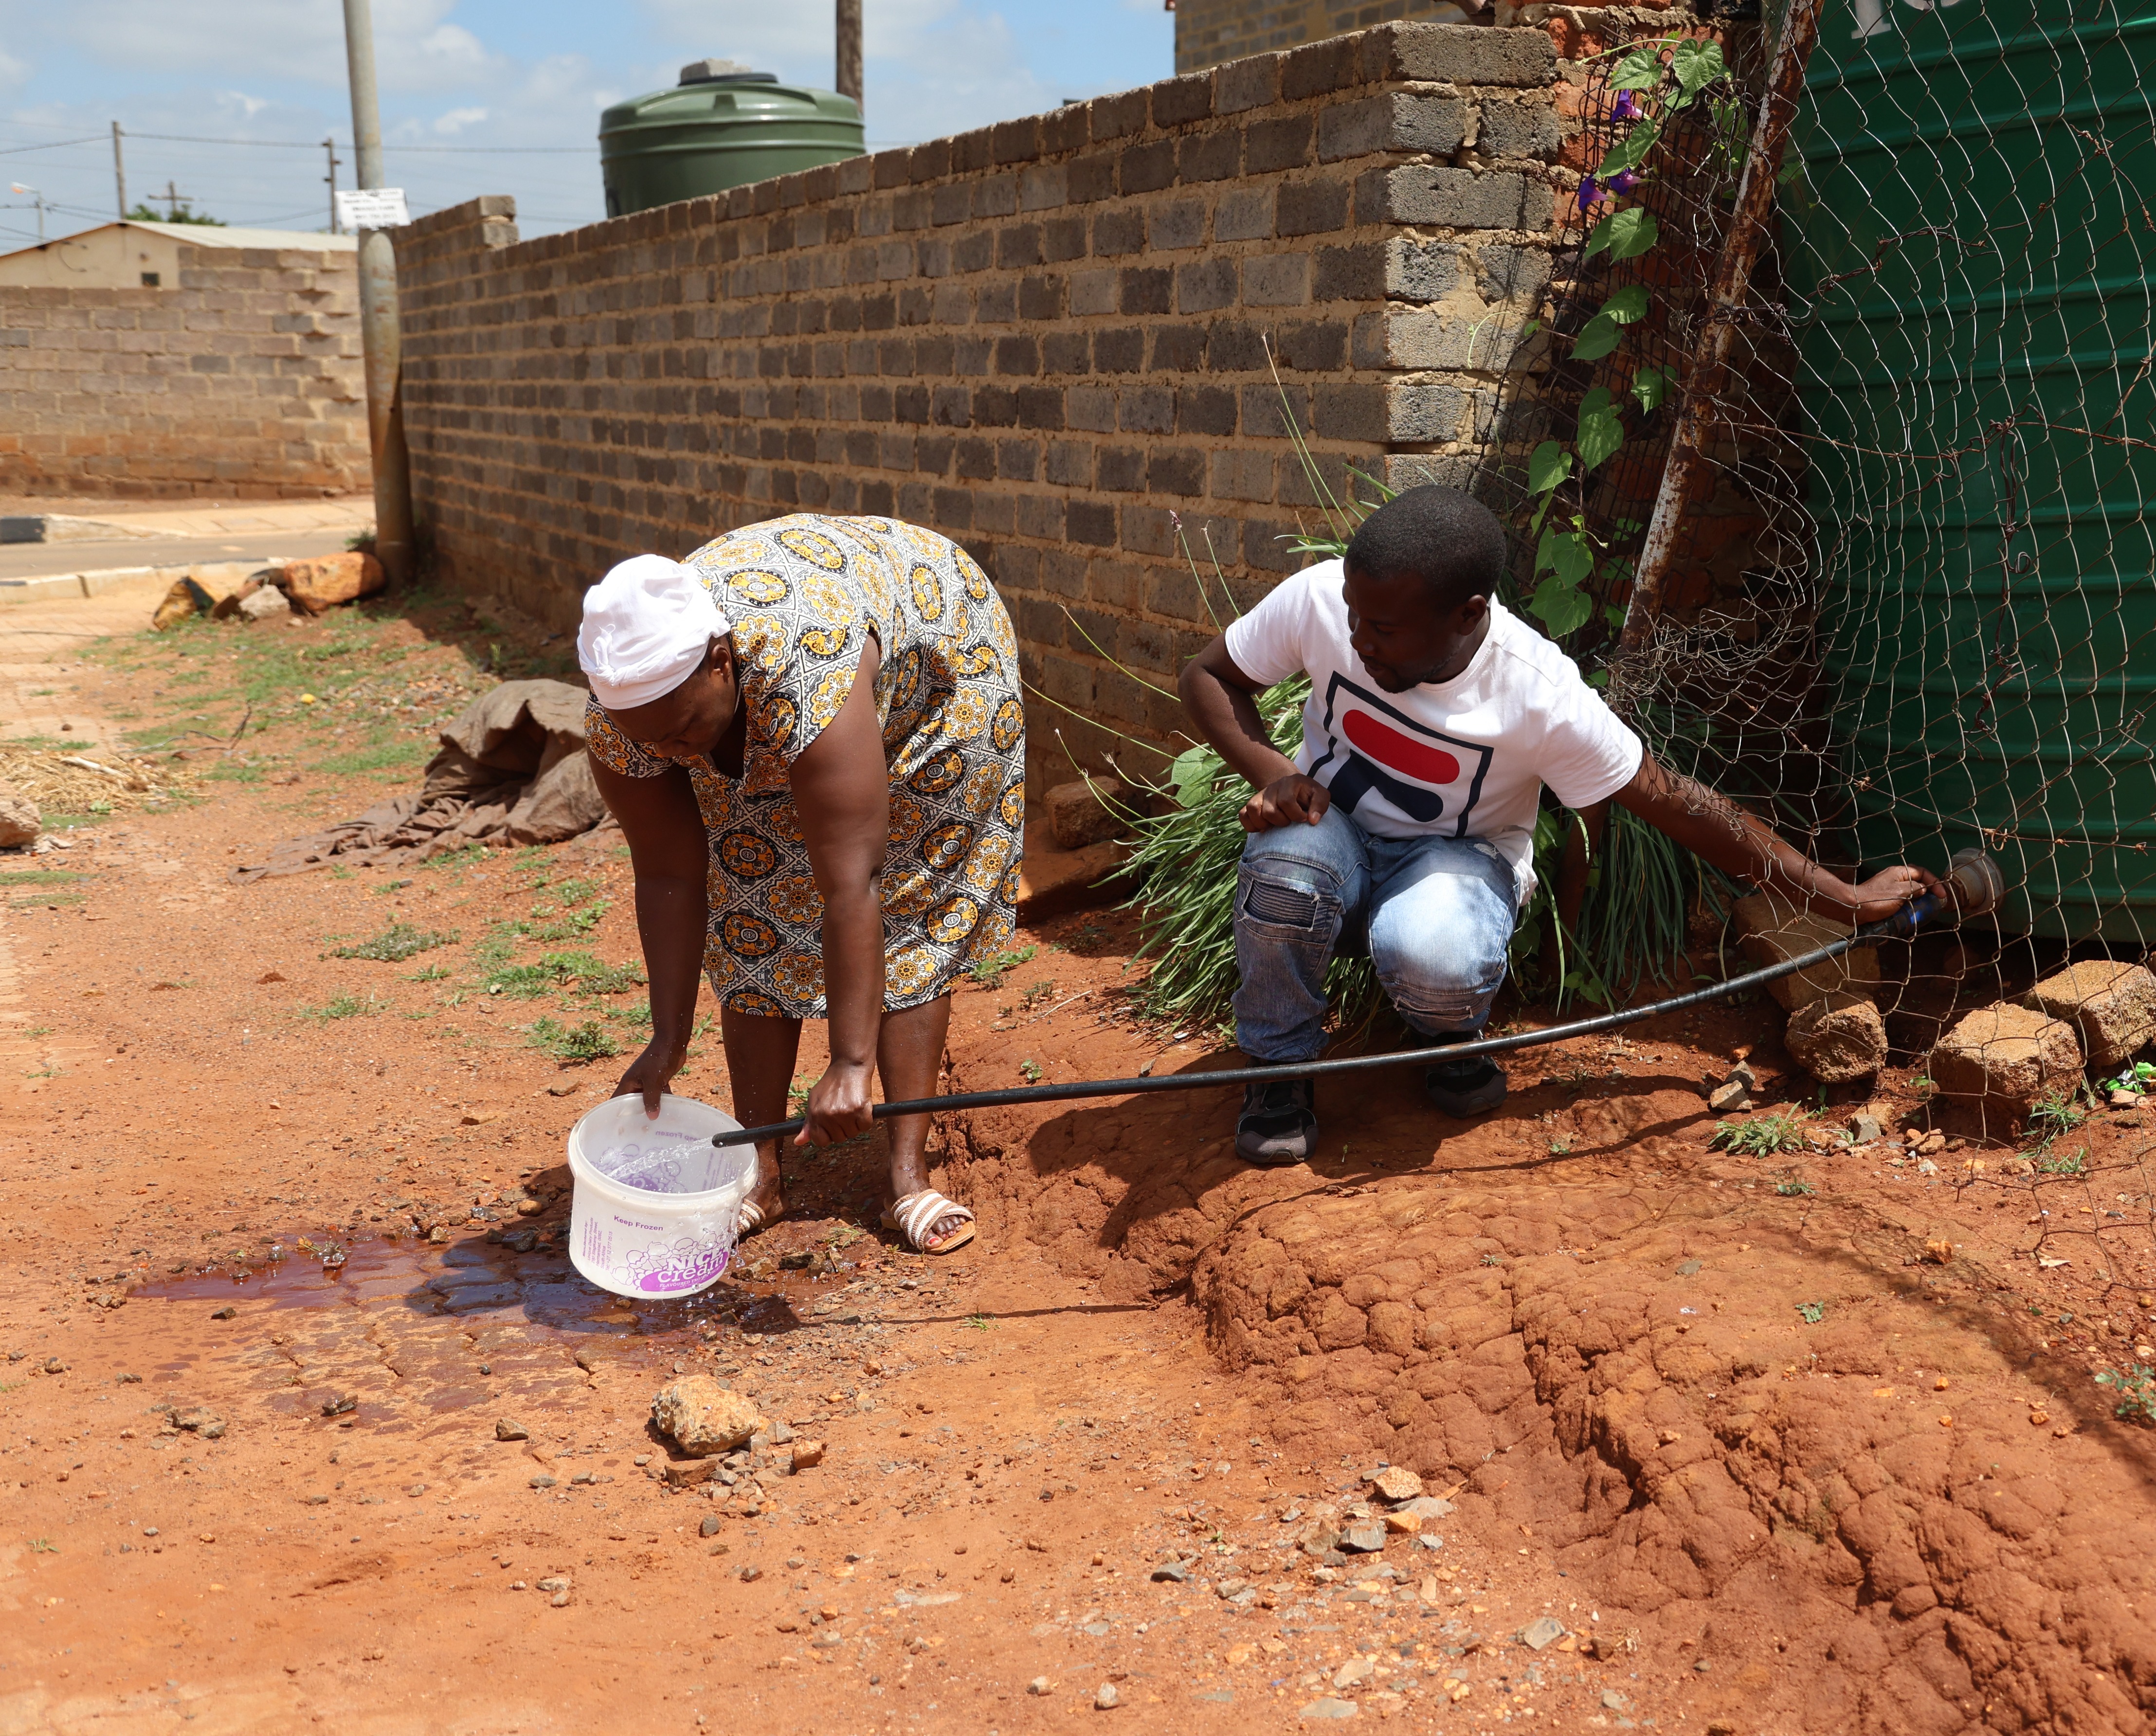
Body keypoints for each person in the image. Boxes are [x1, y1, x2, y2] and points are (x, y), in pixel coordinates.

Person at [1177, 485, 1992, 1167]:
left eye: (1382, 629)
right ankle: (1278, 1066)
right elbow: (1210, 675)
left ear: (1467, 615)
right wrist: (1275, 773)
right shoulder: (1328, 596)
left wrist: (1840, 898)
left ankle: (1447, 1032)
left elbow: (1680, 803)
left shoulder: (1539, 693)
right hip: (1334, 840)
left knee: (1436, 955)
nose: (1356, 638)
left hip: (1453, 862)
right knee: (1287, 863)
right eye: (1355, 616)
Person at [576, 513, 1025, 1254]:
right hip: (784, 694)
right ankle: (762, 1172)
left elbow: (856, 881)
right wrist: (666, 1038)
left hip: (940, 668)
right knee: (749, 899)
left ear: (721, 661)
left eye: (683, 731)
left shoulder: (805, 664)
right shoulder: (624, 716)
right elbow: (670, 874)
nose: (668, 753)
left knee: (911, 906)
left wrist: (850, 1062)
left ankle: (907, 1177)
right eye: (647, 739)